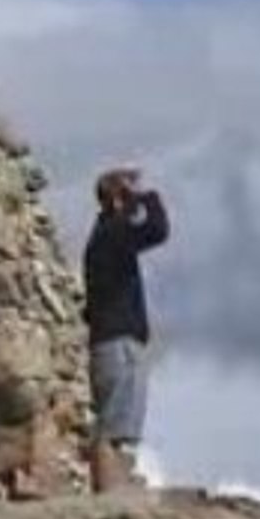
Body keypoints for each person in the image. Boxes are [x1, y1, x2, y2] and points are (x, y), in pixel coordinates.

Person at [82, 167, 170, 492]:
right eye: (130, 189)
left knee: (119, 427)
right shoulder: (111, 234)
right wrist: (147, 198)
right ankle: (110, 499)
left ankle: (115, 491)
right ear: (118, 199)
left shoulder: (106, 236)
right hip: (117, 343)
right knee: (112, 428)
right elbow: (157, 230)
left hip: (114, 340)